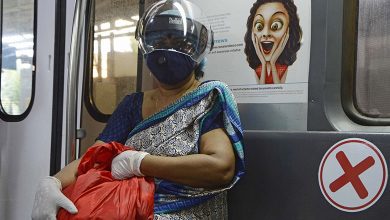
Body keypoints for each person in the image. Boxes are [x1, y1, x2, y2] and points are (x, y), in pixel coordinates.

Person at [31, 0, 245, 219]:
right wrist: (53, 183)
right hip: (131, 205)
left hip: (188, 211)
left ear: (197, 50)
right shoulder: (132, 105)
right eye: (160, 40)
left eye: (179, 42)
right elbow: (95, 157)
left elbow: (221, 168)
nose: (167, 49)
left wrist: (140, 163)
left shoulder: (207, 100)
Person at [244, 0, 302, 84]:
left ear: (289, 32)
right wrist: (263, 63)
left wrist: (272, 62)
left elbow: (278, 91)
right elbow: (262, 92)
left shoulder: (284, 68)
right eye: (259, 26)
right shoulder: (257, 68)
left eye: (276, 26)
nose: (266, 34)